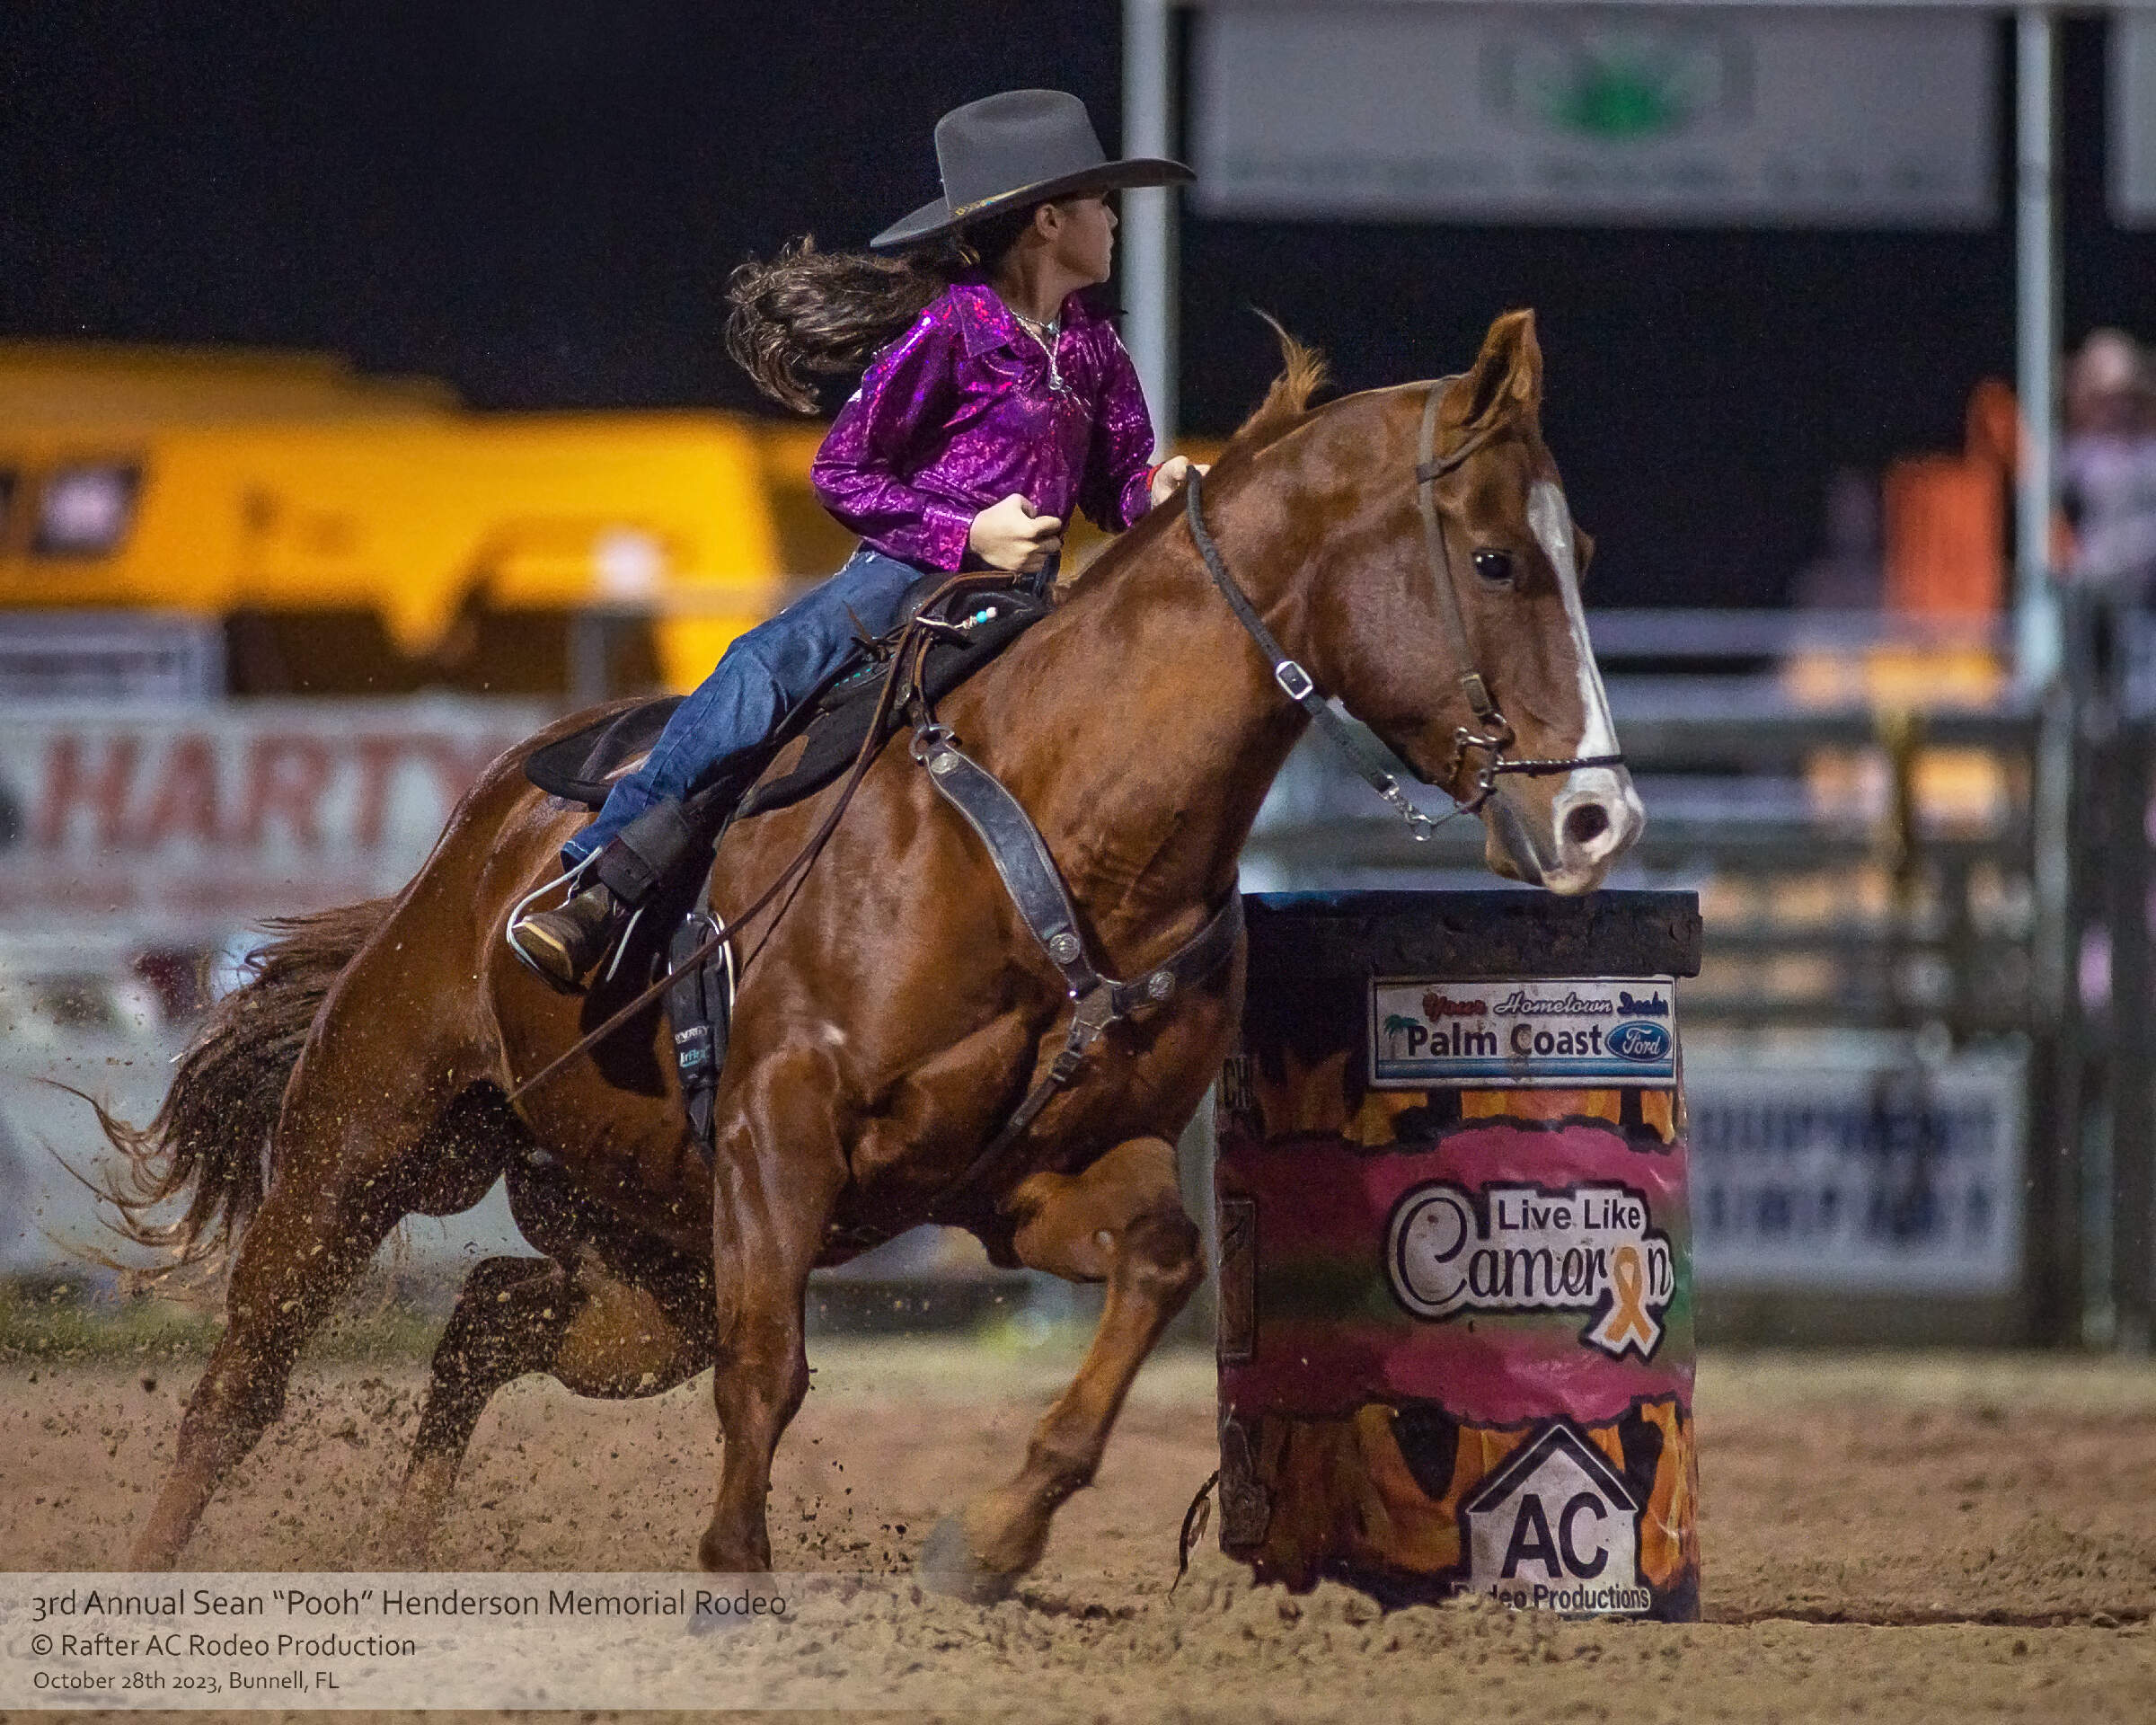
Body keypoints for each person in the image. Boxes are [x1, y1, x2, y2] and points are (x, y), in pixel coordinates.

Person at [509, 89, 1202, 988]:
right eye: (1100, 202)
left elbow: (1116, 485)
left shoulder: (1094, 349)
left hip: (1029, 600)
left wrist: (1157, 489)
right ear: (1047, 221)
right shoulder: (950, 331)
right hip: (904, 578)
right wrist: (968, 531)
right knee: (764, 668)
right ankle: (602, 881)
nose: (1113, 220)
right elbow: (842, 470)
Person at [2059, 328, 2156, 604]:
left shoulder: (2148, 451)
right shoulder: (2076, 455)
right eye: (2106, 398)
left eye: (2125, 397)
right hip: (2093, 591)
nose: (2118, 408)